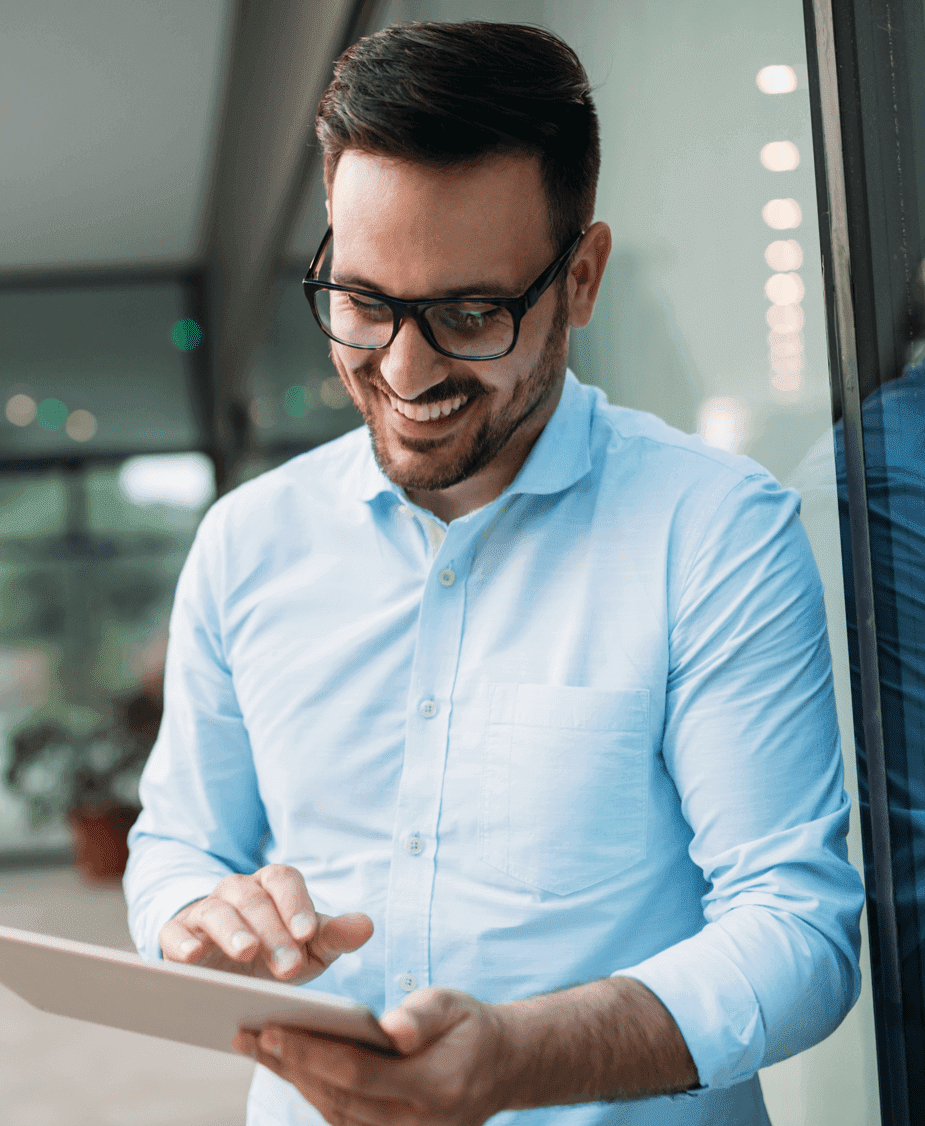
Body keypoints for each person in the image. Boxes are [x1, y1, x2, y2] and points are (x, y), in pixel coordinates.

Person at [125, 21, 864, 1126]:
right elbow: (179, 845)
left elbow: (798, 930)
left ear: (581, 278)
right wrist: (201, 913)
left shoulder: (713, 532)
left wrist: (520, 1058)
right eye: (365, 303)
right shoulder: (246, 543)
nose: (405, 369)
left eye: (470, 315)